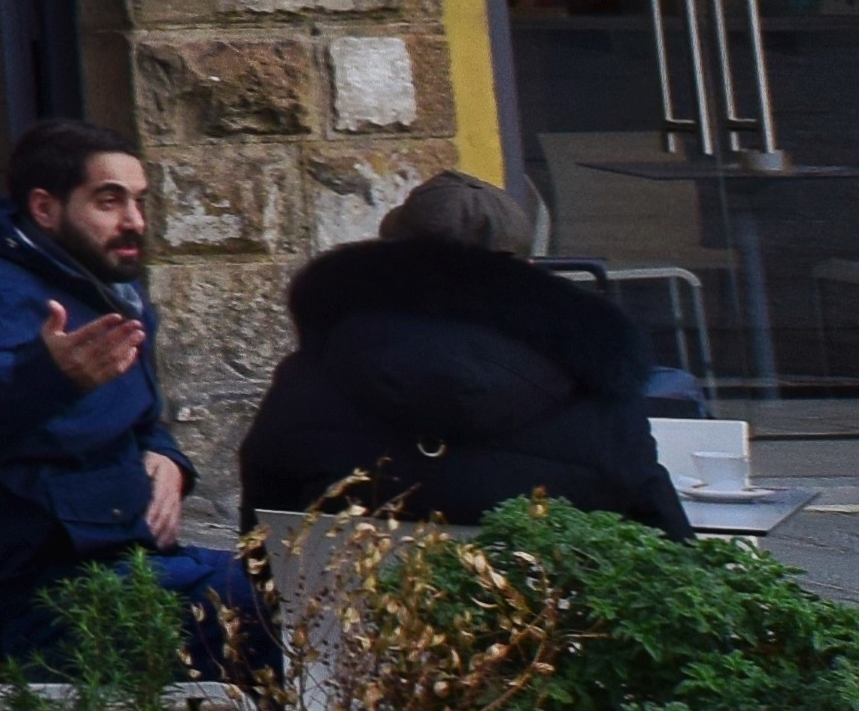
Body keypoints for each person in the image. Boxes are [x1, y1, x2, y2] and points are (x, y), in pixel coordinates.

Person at [0, 120, 256, 661]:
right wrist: (47, 378)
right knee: (295, 612)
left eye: (139, 201)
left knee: (329, 590)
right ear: (45, 209)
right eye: (109, 201)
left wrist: (169, 460)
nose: (134, 222)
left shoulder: (108, 286)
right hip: (60, 596)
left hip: (139, 560)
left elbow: (143, 420)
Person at [237, 169, 693, 537]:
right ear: (528, 271)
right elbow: (662, 546)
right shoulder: (597, 382)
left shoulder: (309, 378)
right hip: (547, 643)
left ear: (391, 259)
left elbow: (264, 538)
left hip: (349, 639)